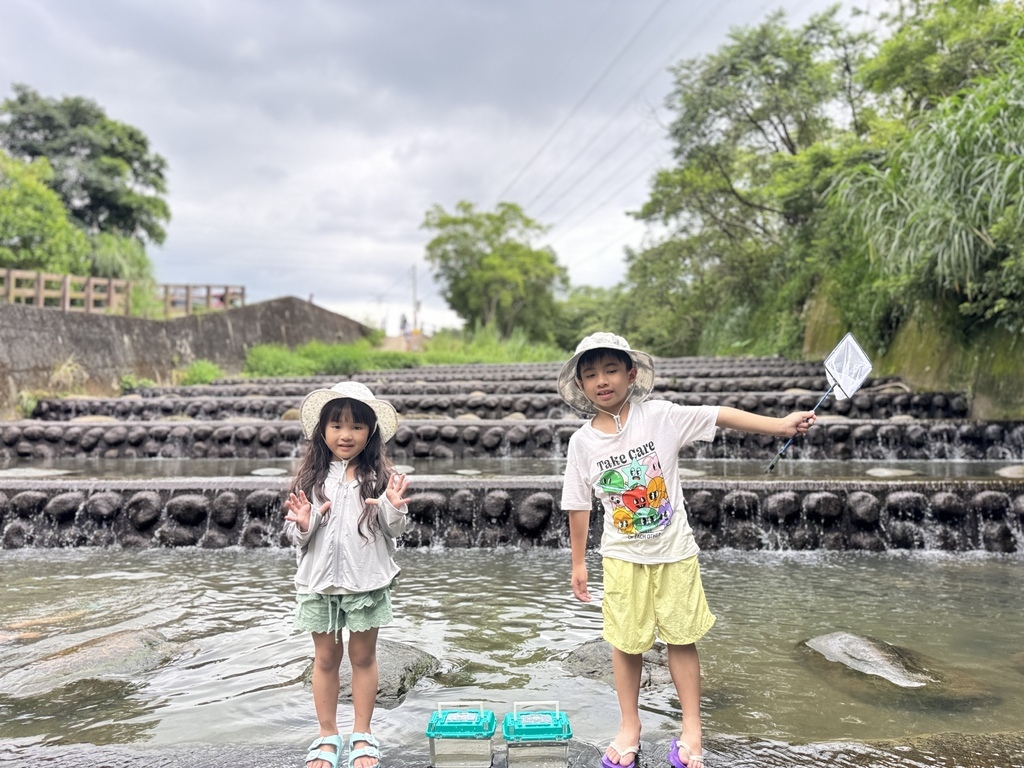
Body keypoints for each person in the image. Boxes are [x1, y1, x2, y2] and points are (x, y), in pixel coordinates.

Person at [557, 333, 815, 768]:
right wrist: (578, 561)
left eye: (611, 370)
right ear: (581, 386)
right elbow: (578, 503)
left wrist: (780, 424)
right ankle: (629, 726)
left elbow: (720, 414)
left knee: (682, 637)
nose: (602, 380)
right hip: (622, 557)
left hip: (674, 551)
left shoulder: (661, 417)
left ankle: (692, 728)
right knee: (625, 643)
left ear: (631, 374)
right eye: (591, 374)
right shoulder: (582, 442)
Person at [283, 381, 411, 768]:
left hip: (364, 581)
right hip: (319, 583)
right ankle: (326, 735)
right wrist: (304, 524)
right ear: (322, 429)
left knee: (362, 656)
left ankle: (362, 733)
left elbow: (394, 532)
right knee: (324, 658)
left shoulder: (380, 478)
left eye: (356, 426)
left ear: (370, 432)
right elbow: (296, 538)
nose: (346, 434)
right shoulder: (310, 480)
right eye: (337, 425)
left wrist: (392, 508)